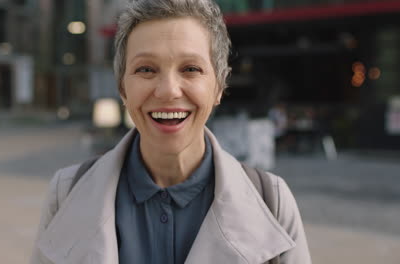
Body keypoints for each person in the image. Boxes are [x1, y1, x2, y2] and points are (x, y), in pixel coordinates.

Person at [30, 0, 311, 263]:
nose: (168, 91)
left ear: (219, 87)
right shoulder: (66, 192)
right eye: (146, 69)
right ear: (122, 89)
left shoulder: (272, 199)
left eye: (190, 68)